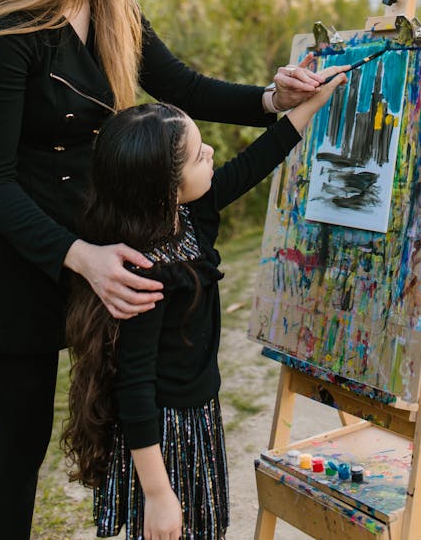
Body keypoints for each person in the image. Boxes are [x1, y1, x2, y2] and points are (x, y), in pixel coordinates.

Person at [0, 0, 327, 540]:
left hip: (91, 246)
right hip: (8, 259)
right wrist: (82, 257)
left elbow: (184, 88)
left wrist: (269, 98)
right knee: (19, 449)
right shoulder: (7, 30)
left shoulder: (115, 5)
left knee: (124, 409)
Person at [62, 74, 348, 540]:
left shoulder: (194, 214)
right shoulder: (144, 269)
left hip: (198, 413)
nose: (212, 152)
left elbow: (257, 159)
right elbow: (134, 390)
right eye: (199, 154)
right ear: (164, 188)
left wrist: (310, 107)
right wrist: (156, 492)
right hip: (162, 435)